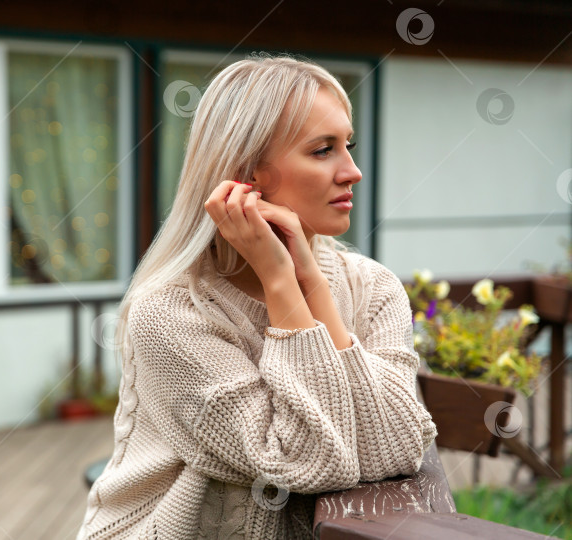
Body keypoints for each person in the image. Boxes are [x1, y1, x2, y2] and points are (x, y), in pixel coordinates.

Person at [76, 53, 437, 540]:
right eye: (322, 150)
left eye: (348, 145)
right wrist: (281, 280)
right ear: (246, 176)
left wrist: (309, 280)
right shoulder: (170, 314)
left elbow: (399, 444)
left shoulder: (373, 288)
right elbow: (304, 461)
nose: (352, 171)